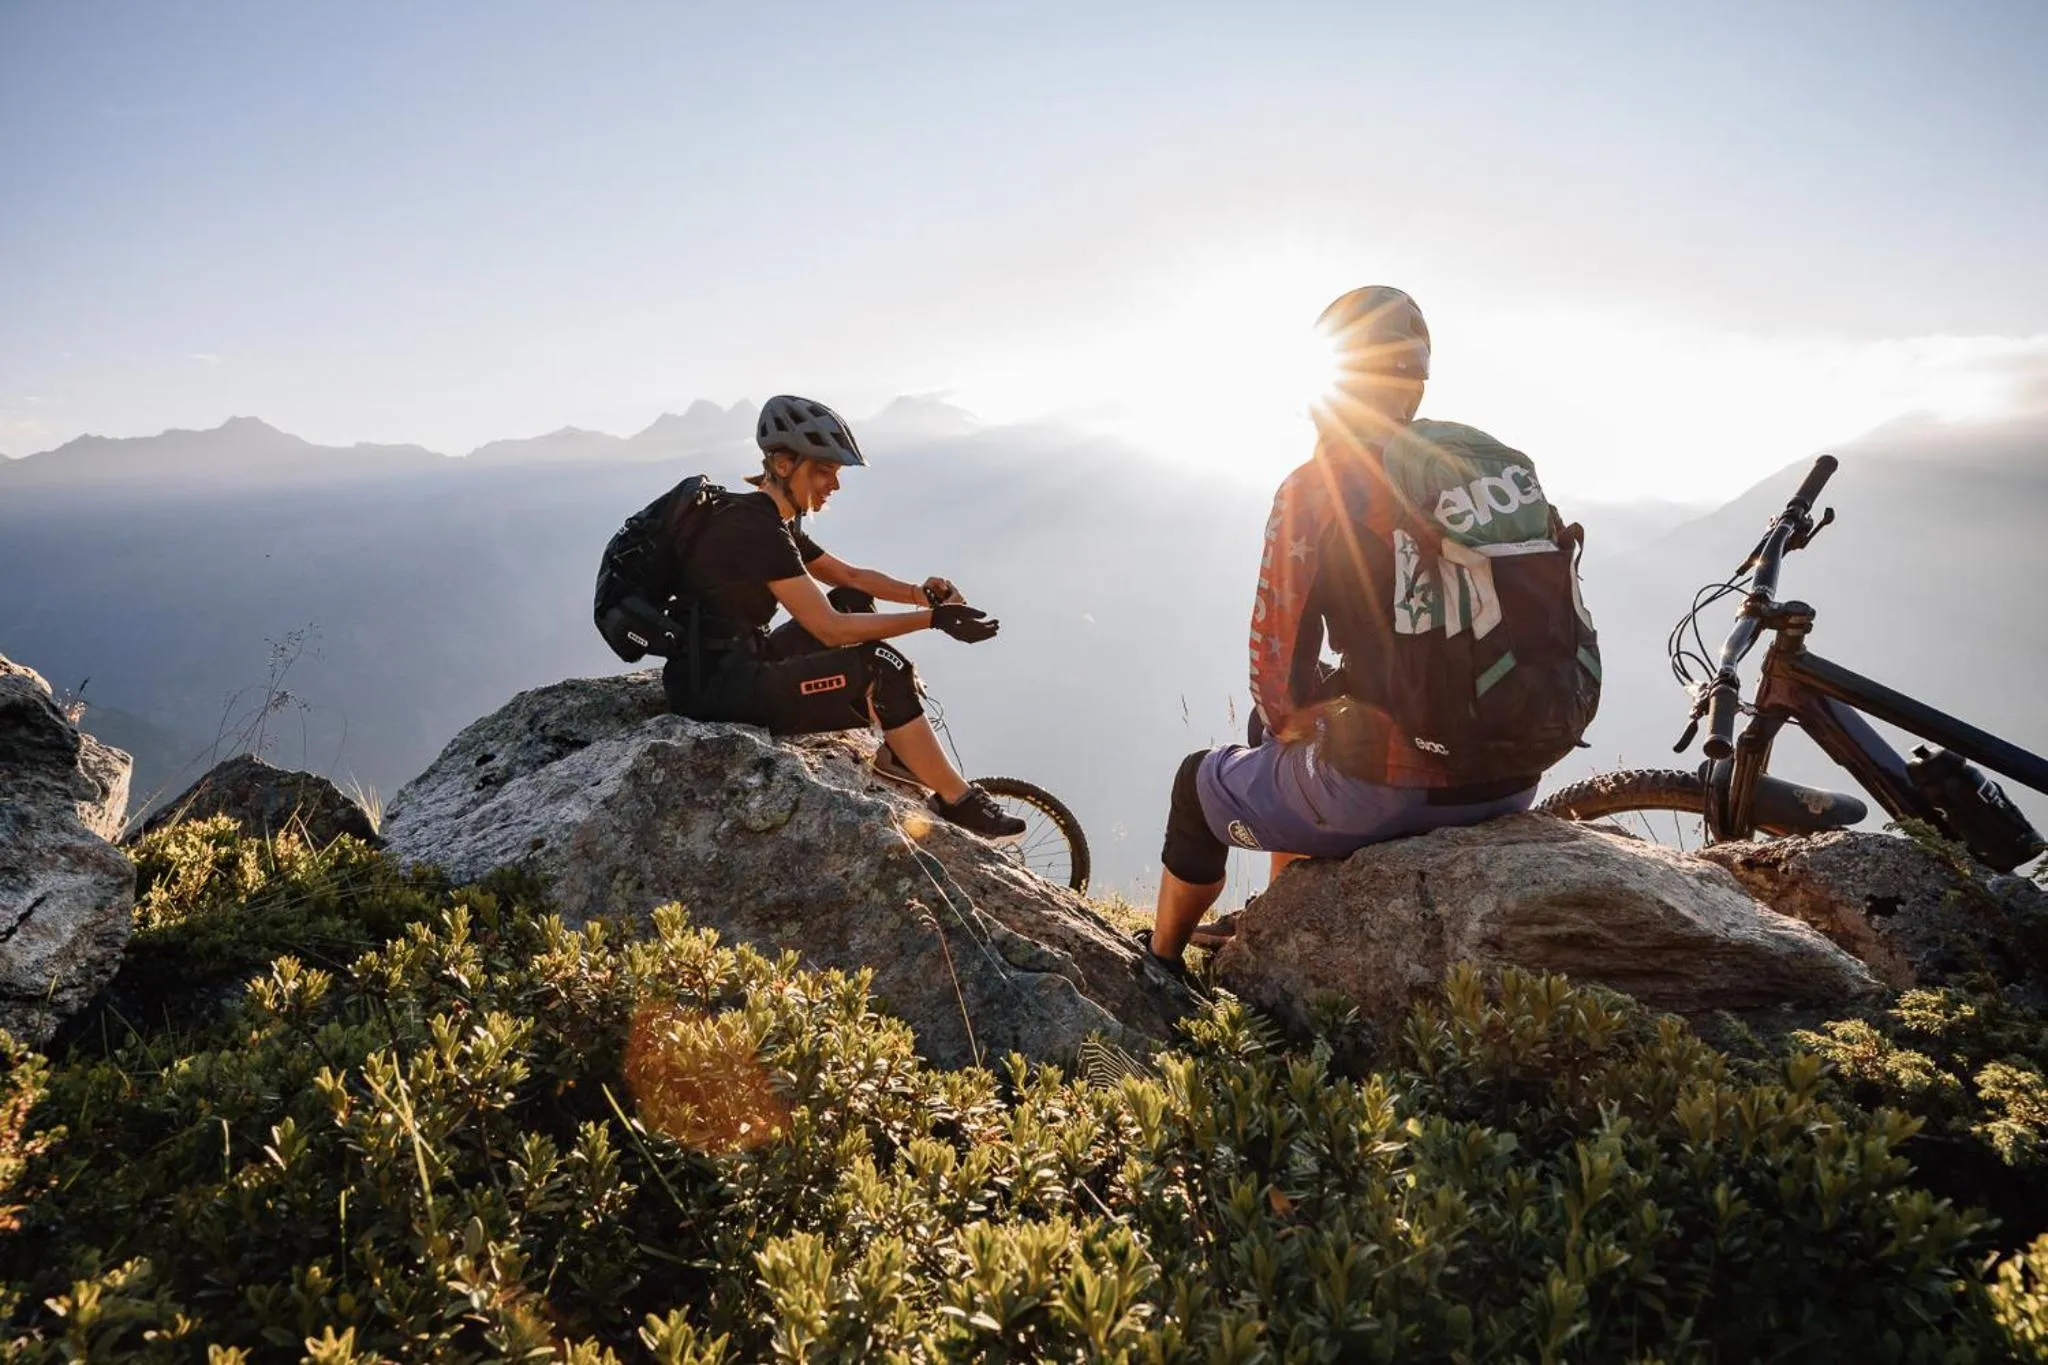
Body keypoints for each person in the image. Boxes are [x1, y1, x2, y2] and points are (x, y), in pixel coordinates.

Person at [1141, 286, 1596, 972]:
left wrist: (1300, 722)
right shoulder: (1474, 473)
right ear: (1415, 382)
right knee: (1286, 727)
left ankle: (1159, 964)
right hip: (1513, 776)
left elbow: (1276, 676)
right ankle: (1279, 909)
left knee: (1197, 782)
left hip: (1389, 791)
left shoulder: (1316, 487)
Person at [662, 394, 1026, 839]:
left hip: (733, 661)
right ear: (782, 464)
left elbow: (848, 576)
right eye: (824, 470)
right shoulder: (755, 530)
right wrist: (934, 622)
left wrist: (923, 597)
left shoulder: (766, 518)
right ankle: (958, 801)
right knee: (882, 666)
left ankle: (899, 752)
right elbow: (829, 629)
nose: (834, 484)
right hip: (720, 692)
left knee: (850, 598)